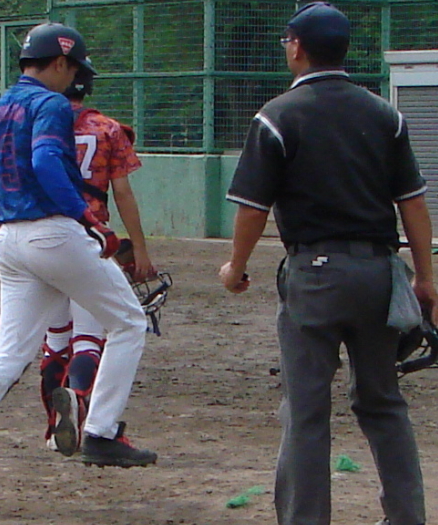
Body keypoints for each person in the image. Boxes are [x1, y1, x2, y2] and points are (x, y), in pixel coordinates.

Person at [218, 3, 437, 525]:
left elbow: (253, 209)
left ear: (297, 47)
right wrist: (427, 279)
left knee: (307, 410)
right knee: (383, 402)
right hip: (380, 274)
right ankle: (407, 516)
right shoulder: (384, 115)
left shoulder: (277, 116)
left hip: (314, 275)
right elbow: (412, 203)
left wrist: (235, 267)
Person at [0, 22, 157, 516]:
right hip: (55, 232)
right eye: (72, 69)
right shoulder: (50, 103)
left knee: (9, 352)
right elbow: (48, 162)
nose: (73, 79)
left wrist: (21, 196)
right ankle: (101, 432)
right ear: (58, 62)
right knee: (128, 322)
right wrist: (87, 219)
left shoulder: (0, 107)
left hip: (10, 239)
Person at [39, 66, 156, 458]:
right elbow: (122, 193)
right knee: (91, 337)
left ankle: (55, 430)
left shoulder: (37, 125)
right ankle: (80, 403)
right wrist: (140, 249)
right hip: (86, 238)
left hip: (37, 237)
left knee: (55, 341)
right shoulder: (108, 129)